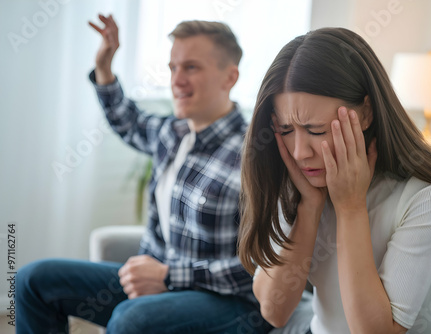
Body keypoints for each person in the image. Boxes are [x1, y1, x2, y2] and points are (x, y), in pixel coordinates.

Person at [15, 14, 271, 334]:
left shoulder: (255, 158)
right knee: (33, 280)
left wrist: (169, 276)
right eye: (173, 67)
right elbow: (127, 119)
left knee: (132, 318)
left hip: (227, 301)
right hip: (159, 284)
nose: (177, 80)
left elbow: (265, 269)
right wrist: (105, 67)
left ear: (229, 77)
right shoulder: (171, 133)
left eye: (191, 67)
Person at [238, 27, 431, 334]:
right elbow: (274, 310)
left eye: (316, 130)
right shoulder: (300, 179)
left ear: (366, 113)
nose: (299, 152)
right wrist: (309, 207)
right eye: (286, 130)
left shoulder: (425, 196)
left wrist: (350, 208)